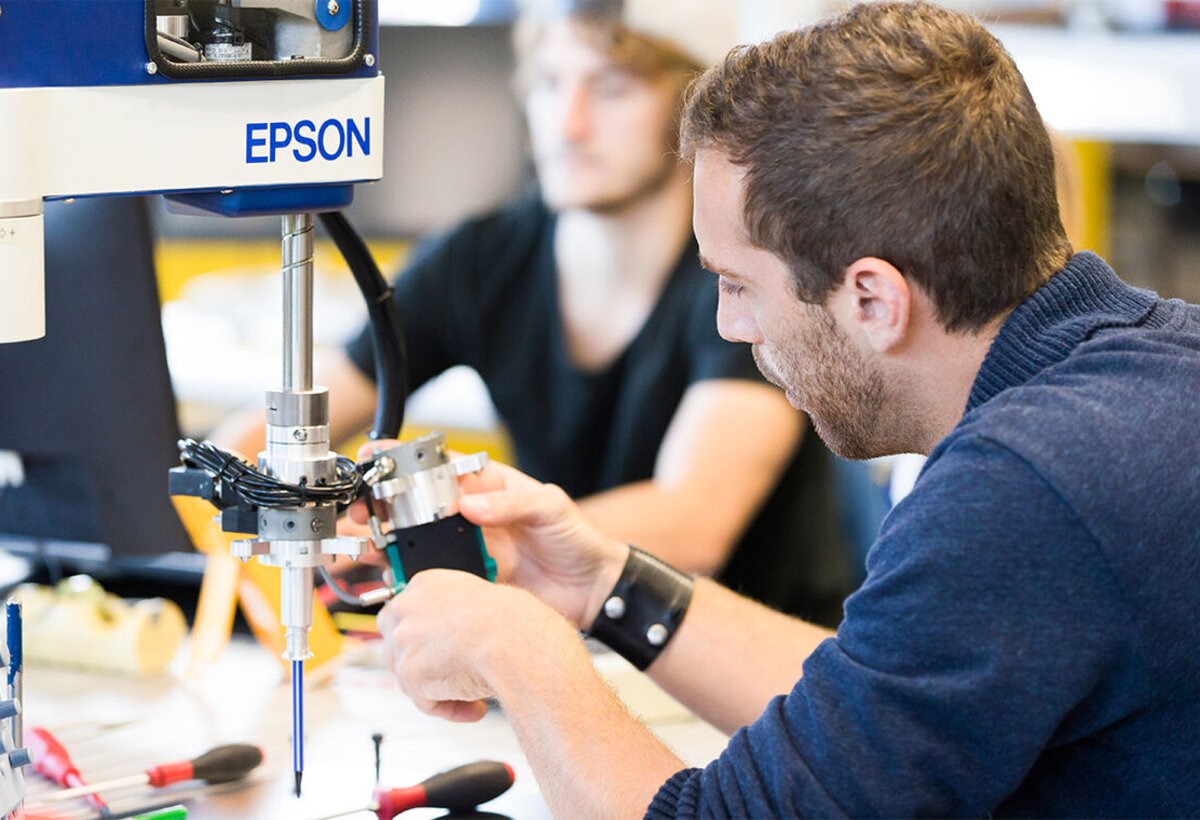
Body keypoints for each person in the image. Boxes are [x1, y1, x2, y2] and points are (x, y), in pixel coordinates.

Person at [370, 2, 1200, 816]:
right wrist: (598, 584)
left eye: (738, 285)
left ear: (873, 299)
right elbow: (875, 709)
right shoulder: (1158, 364)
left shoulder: (1019, 490)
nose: (730, 325)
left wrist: (517, 651)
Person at [214, 0, 857, 624]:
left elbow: (692, 524)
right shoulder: (479, 258)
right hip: (565, 638)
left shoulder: (745, 278)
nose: (568, 123)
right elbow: (268, 441)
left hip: (758, 667)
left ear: (693, 106)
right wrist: (268, 498)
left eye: (611, 88)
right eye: (550, 83)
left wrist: (450, 535)